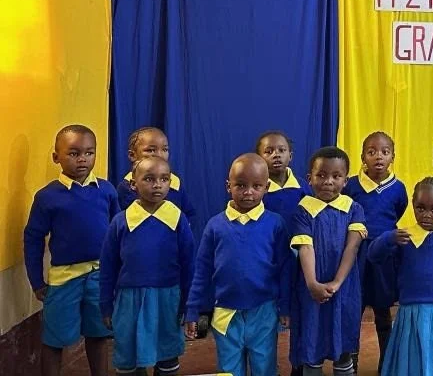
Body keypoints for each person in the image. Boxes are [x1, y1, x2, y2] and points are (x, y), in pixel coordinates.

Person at [184, 153, 291, 376]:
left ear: (267, 187)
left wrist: (285, 306)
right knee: (228, 369)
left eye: (256, 186)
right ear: (228, 186)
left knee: (264, 367)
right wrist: (193, 310)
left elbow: (285, 269)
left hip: (264, 309)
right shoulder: (215, 226)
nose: (248, 192)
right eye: (241, 185)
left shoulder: (275, 224)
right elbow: (202, 271)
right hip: (225, 310)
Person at [24, 125, 118, 376]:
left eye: (89, 153)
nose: (83, 159)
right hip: (64, 278)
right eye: (74, 153)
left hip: (100, 276)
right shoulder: (47, 197)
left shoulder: (106, 190)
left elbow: (117, 232)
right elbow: (33, 238)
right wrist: (36, 281)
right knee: (55, 338)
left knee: (98, 334)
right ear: (57, 157)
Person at [100, 156, 195, 376]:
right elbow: (108, 267)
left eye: (164, 179)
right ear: (133, 184)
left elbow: (190, 265)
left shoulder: (177, 219)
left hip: (168, 299)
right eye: (149, 179)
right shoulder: (120, 222)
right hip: (128, 300)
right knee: (128, 354)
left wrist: (190, 306)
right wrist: (106, 304)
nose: (157, 185)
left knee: (167, 353)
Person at [369, 177, 433, 376]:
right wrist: (388, 238)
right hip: (410, 312)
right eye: (420, 208)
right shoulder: (403, 237)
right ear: (412, 204)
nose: (426, 215)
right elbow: (373, 256)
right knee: (410, 361)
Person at [290, 147, 366, 376]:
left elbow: (352, 247)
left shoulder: (354, 209)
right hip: (310, 288)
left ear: (345, 180)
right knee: (311, 342)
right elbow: (306, 247)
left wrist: (337, 283)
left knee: (342, 341)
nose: (328, 181)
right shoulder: (303, 210)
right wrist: (313, 283)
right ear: (309, 178)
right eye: (321, 175)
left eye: (336, 176)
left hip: (344, 288)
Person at [341, 131, 406, 372]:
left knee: (383, 311)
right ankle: (350, 362)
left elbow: (397, 211)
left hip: (384, 257)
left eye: (384, 152)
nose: (378, 157)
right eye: (372, 152)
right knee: (353, 310)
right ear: (362, 157)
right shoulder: (351, 186)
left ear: (392, 157)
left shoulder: (398, 188)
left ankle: (386, 363)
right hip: (356, 254)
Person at [114, 127, 198, 230]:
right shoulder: (127, 187)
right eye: (151, 150)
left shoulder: (175, 183)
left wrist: (182, 229)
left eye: (165, 150)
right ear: (132, 155)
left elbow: (189, 214)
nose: (159, 155)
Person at [257, 130, 313, 226]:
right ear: (259, 158)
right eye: (269, 152)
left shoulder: (302, 186)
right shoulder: (257, 189)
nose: (276, 155)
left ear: (290, 156)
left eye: (282, 150)